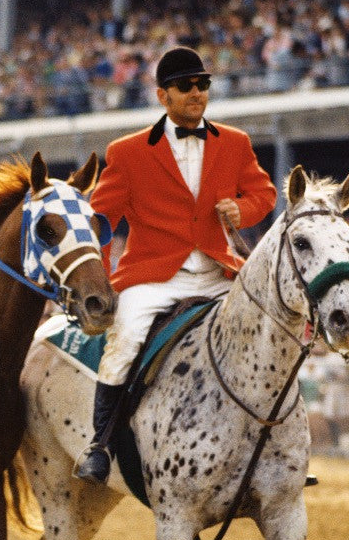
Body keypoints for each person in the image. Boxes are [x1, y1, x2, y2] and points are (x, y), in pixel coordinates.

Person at [77, 46, 277, 483]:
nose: (197, 93)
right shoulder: (126, 152)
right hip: (153, 276)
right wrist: (94, 265)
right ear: (162, 95)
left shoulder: (236, 142)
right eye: (186, 86)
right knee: (124, 340)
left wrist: (242, 211)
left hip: (219, 271)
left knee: (270, 331)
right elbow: (102, 221)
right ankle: (100, 444)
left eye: (203, 84)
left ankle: (279, 445)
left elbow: (265, 194)